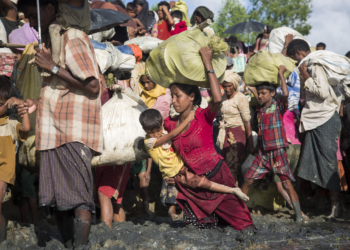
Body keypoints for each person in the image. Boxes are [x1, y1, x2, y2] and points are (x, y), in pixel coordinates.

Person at [17, 0, 103, 247]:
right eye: (28, 18)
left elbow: (93, 85)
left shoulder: (72, 38)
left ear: (50, 9)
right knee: (60, 201)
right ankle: (70, 245)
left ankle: (80, 246)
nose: (31, 23)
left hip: (73, 131)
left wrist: (52, 67)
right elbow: (59, 87)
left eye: (34, 15)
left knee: (79, 199)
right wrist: (35, 101)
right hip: (53, 131)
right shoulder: (52, 43)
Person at [164, 47, 254, 230]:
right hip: (192, 186)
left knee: (245, 227)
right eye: (172, 96)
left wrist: (208, 64)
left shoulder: (204, 116)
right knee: (199, 233)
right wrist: (172, 173)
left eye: (178, 96)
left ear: (191, 97)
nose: (174, 100)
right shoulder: (170, 124)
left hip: (218, 178)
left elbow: (217, 98)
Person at [140, 109, 249, 221]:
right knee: (203, 185)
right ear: (145, 130)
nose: (156, 134)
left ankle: (226, 198)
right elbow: (172, 134)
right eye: (151, 132)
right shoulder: (148, 142)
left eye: (158, 130)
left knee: (201, 188)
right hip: (176, 173)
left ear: (161, 125)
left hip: (184, 166)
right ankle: (232, 190)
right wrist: (188, 119)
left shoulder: (163, 132)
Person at [286, 39, 343, 218]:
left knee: (327, 162)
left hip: (325, 119)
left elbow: (323, 92)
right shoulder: (311, 65)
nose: (296, 62)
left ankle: (336, 208)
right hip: (316, 120)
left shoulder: (315, 65)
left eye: (294, 57)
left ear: (299, 52)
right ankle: (315, 203)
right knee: (311, 162)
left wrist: (306, 77)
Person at [242, 66, 305, 223]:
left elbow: (284, 94)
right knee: (248, 180)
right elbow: (260, 97)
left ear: (272, 94)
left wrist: (281, 75)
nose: (261, 96)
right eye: (259, 94)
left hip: (278, 152)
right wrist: (251, 88)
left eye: (264, 93)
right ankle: (240, 212)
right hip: (263, 153)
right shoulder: (260, 110)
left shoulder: (277, 106)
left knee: (286, 183)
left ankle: (299, 217)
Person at [0, 76, 31, 244]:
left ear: (8, 104)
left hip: (4, 171)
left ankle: (2, 240)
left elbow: (26, 128)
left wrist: (23, 109)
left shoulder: (11, 123)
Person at [218, 70, 255, 184]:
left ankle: (232, 192)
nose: (227, 89)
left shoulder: (240, 97)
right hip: (224, 133)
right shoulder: (224, 97)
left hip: (237, 133)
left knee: (232, 164)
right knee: (225, 166)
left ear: (234, 85)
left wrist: (250, 144)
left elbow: (247, 121)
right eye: (224, 86)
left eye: (229, 86)